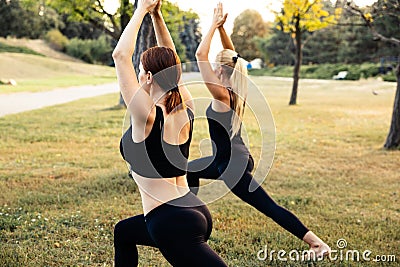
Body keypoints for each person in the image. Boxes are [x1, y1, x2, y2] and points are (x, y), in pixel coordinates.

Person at [188, 2, 331, 259]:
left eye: (213, 64)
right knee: (187, 171)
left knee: (269, 207)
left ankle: (317, 243)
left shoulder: (222, 94)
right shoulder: (232, 86)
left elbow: (200, 54)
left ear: (219, 69)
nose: (209, 66)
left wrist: (211, 26)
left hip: (232, 167)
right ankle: (189, 222)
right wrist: (221, 28)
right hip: (226, 159)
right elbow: (232, 54)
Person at [112, 0, 227, 266]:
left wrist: (141, 9)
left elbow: (120, 55)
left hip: (170, 221)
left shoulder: (146, 116)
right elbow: (171, 57)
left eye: (141, 71)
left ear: (149, 77)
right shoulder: (183, 105)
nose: (138, 75)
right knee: (124, 232)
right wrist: (157, 15)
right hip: (191, 208)